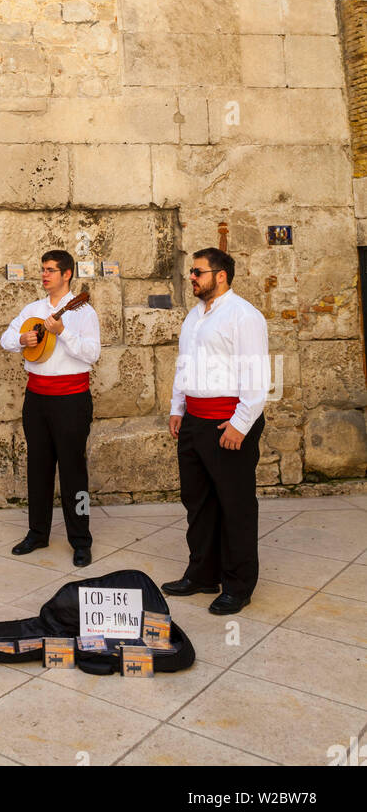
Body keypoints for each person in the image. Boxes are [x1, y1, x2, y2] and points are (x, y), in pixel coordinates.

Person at [164, 247, 270, 614]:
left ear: (220, 275)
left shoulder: (244, 316)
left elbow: (257, 377)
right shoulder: (194, 316)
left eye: (197, 272)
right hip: (194, 421)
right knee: (199, 502)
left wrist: (241, 425)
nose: (191, 278)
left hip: (228, 422)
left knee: (235, 506)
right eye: (191, 273)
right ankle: (202, 574)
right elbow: (185, 364)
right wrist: (179, 408)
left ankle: (238, 585)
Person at [1, 249, 101, 567]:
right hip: (37, 399)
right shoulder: (32, 309)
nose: (44, 275)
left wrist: (63, 333)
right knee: (38, 469)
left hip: (71, 400)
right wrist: (23, 339)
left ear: (67, 274)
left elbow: (92, 354)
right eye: (42, 269)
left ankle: (81, 540)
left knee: (74, 472)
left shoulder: (83, 312)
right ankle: (37, 533)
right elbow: (6, 340)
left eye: (51, 270)